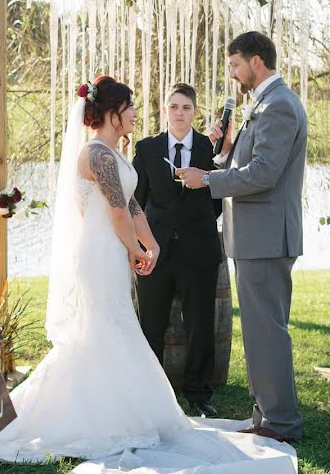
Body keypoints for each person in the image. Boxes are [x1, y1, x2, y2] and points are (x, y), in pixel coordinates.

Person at [0, 76, 296, 473]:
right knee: (104, 330)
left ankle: (121, 408)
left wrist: (150, 241)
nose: (137, 113)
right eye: (131, 106)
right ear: (114, 113)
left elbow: (133, 203)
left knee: (113, 330)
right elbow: (116, 213)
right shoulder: (96, 155)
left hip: (112, 250)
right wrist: (139, 249)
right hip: (98, 254)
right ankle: (80, 416)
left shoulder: (113, 154)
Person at [178, 31, 307, 443]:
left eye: (235, 65)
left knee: (267, 331)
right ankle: (266, 414)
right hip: (255, 237)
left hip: (266, 239)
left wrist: (208, 179)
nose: (232, 74)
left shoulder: (280, 106)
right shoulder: (265, 104)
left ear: (256, 62)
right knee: (258, 331)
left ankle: (281, 422)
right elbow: (251, 163)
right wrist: (225, 151)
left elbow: (265, 174)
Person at [133, 82, 222, 418]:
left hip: (199, 252)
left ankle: (199, 394)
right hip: (155, 254)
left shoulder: (210, 150)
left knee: (200, 325)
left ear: (194, 112)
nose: (179, 113)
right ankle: (152, 393)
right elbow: (136, 203)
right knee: (151, 325)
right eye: (174, 107)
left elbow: (218, 203)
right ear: (165, 111)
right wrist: (141, 245)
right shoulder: (147, 149)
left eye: (186, 107)